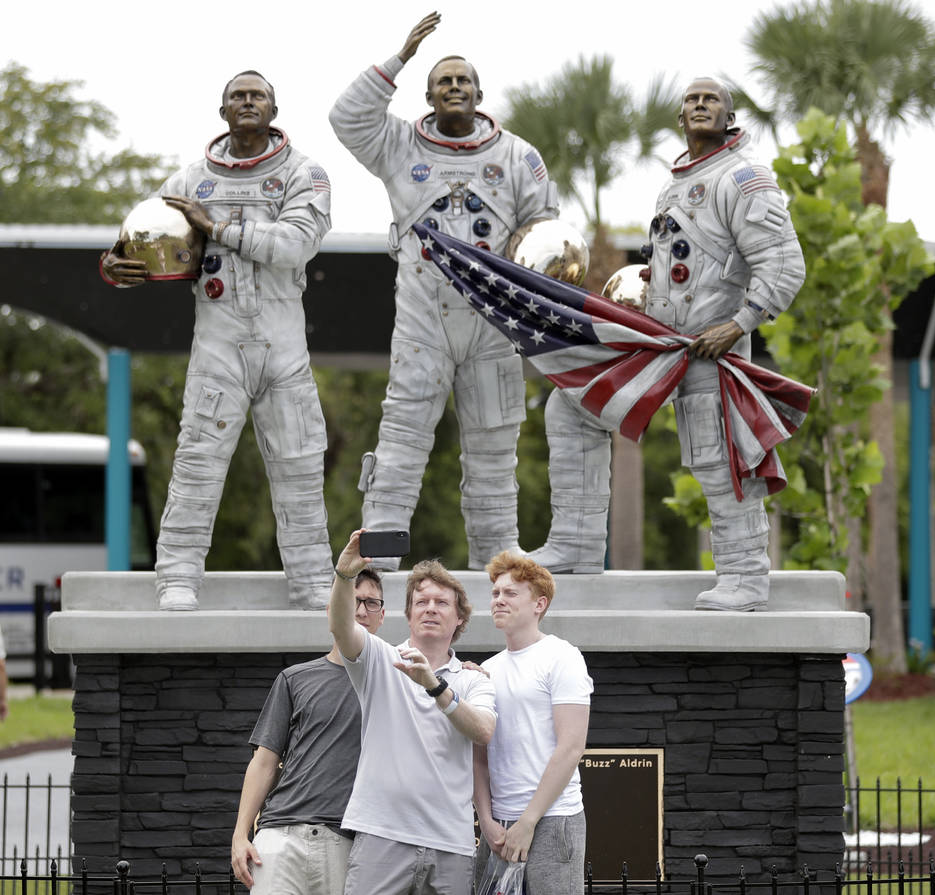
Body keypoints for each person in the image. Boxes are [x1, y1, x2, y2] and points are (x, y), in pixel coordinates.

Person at [529, 77, 806, 611]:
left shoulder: (743, 177)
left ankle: (746, 579)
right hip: (659, 343)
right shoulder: (676, 183)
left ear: (730, 116)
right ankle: (578, 543)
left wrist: (740, 323)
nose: (700, 105)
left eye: (712, 100)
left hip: (709, 348)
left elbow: (783, 263)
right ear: (680, 117)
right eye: (692, 100)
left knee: (721, 456)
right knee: (572, 407)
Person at [328, 12, 559, 570]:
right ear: (428, 97)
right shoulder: (400, 145)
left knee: (493, 453)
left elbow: (545, 233)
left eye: (463, 82)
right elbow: (346, 118)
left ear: (480, 95)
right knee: (401, 444)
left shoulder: (518, 157)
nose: (454, 88)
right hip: (423, 320)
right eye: (443, 82)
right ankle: (378, 571)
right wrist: (399, 57)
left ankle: (500, 574)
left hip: (492, 324)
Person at [101, 71, 334, 611]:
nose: (247, 101)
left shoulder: (304, 174)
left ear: (274, 108)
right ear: (222, 108)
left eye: (257, 95)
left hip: (282, 349)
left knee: (299, 466)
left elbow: (296, 244)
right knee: (197, 463)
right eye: (237, 95)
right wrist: (116, 265)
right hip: (218, 346)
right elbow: (149, 242)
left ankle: (312, 580)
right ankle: (177, 576)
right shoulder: (191, 180)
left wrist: (220, 227)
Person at [328, 529, 497, 894]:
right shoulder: (378, 657)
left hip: (451, 844)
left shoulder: (473, 679)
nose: (431, 608)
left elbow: (484, 730)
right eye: (421, 602)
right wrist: (344, 574)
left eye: (441, 603)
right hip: (381, 836)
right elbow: (342, 629)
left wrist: (434, 685)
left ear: (459, 619)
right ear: (407, 615)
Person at [230, 569, 385, 893]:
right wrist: (240, 834)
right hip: (279, 837)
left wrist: (465, 670)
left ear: (382, 615)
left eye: (371, 603)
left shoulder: (394, 682)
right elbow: (264, 762)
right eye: (353, 601)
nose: (360, 611)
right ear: (332, 610)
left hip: (346, 842)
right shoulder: (294, 679)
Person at [474, 551, 592, 895]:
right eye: (495, 593)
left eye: (510, 593)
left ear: (539, 604)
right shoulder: (488, 669)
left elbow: (571, 747)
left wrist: (528, 821)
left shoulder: (563, 657)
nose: (499, 600)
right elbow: (478, 754)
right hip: (498, 827)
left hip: (553, 820)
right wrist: (486, 819)